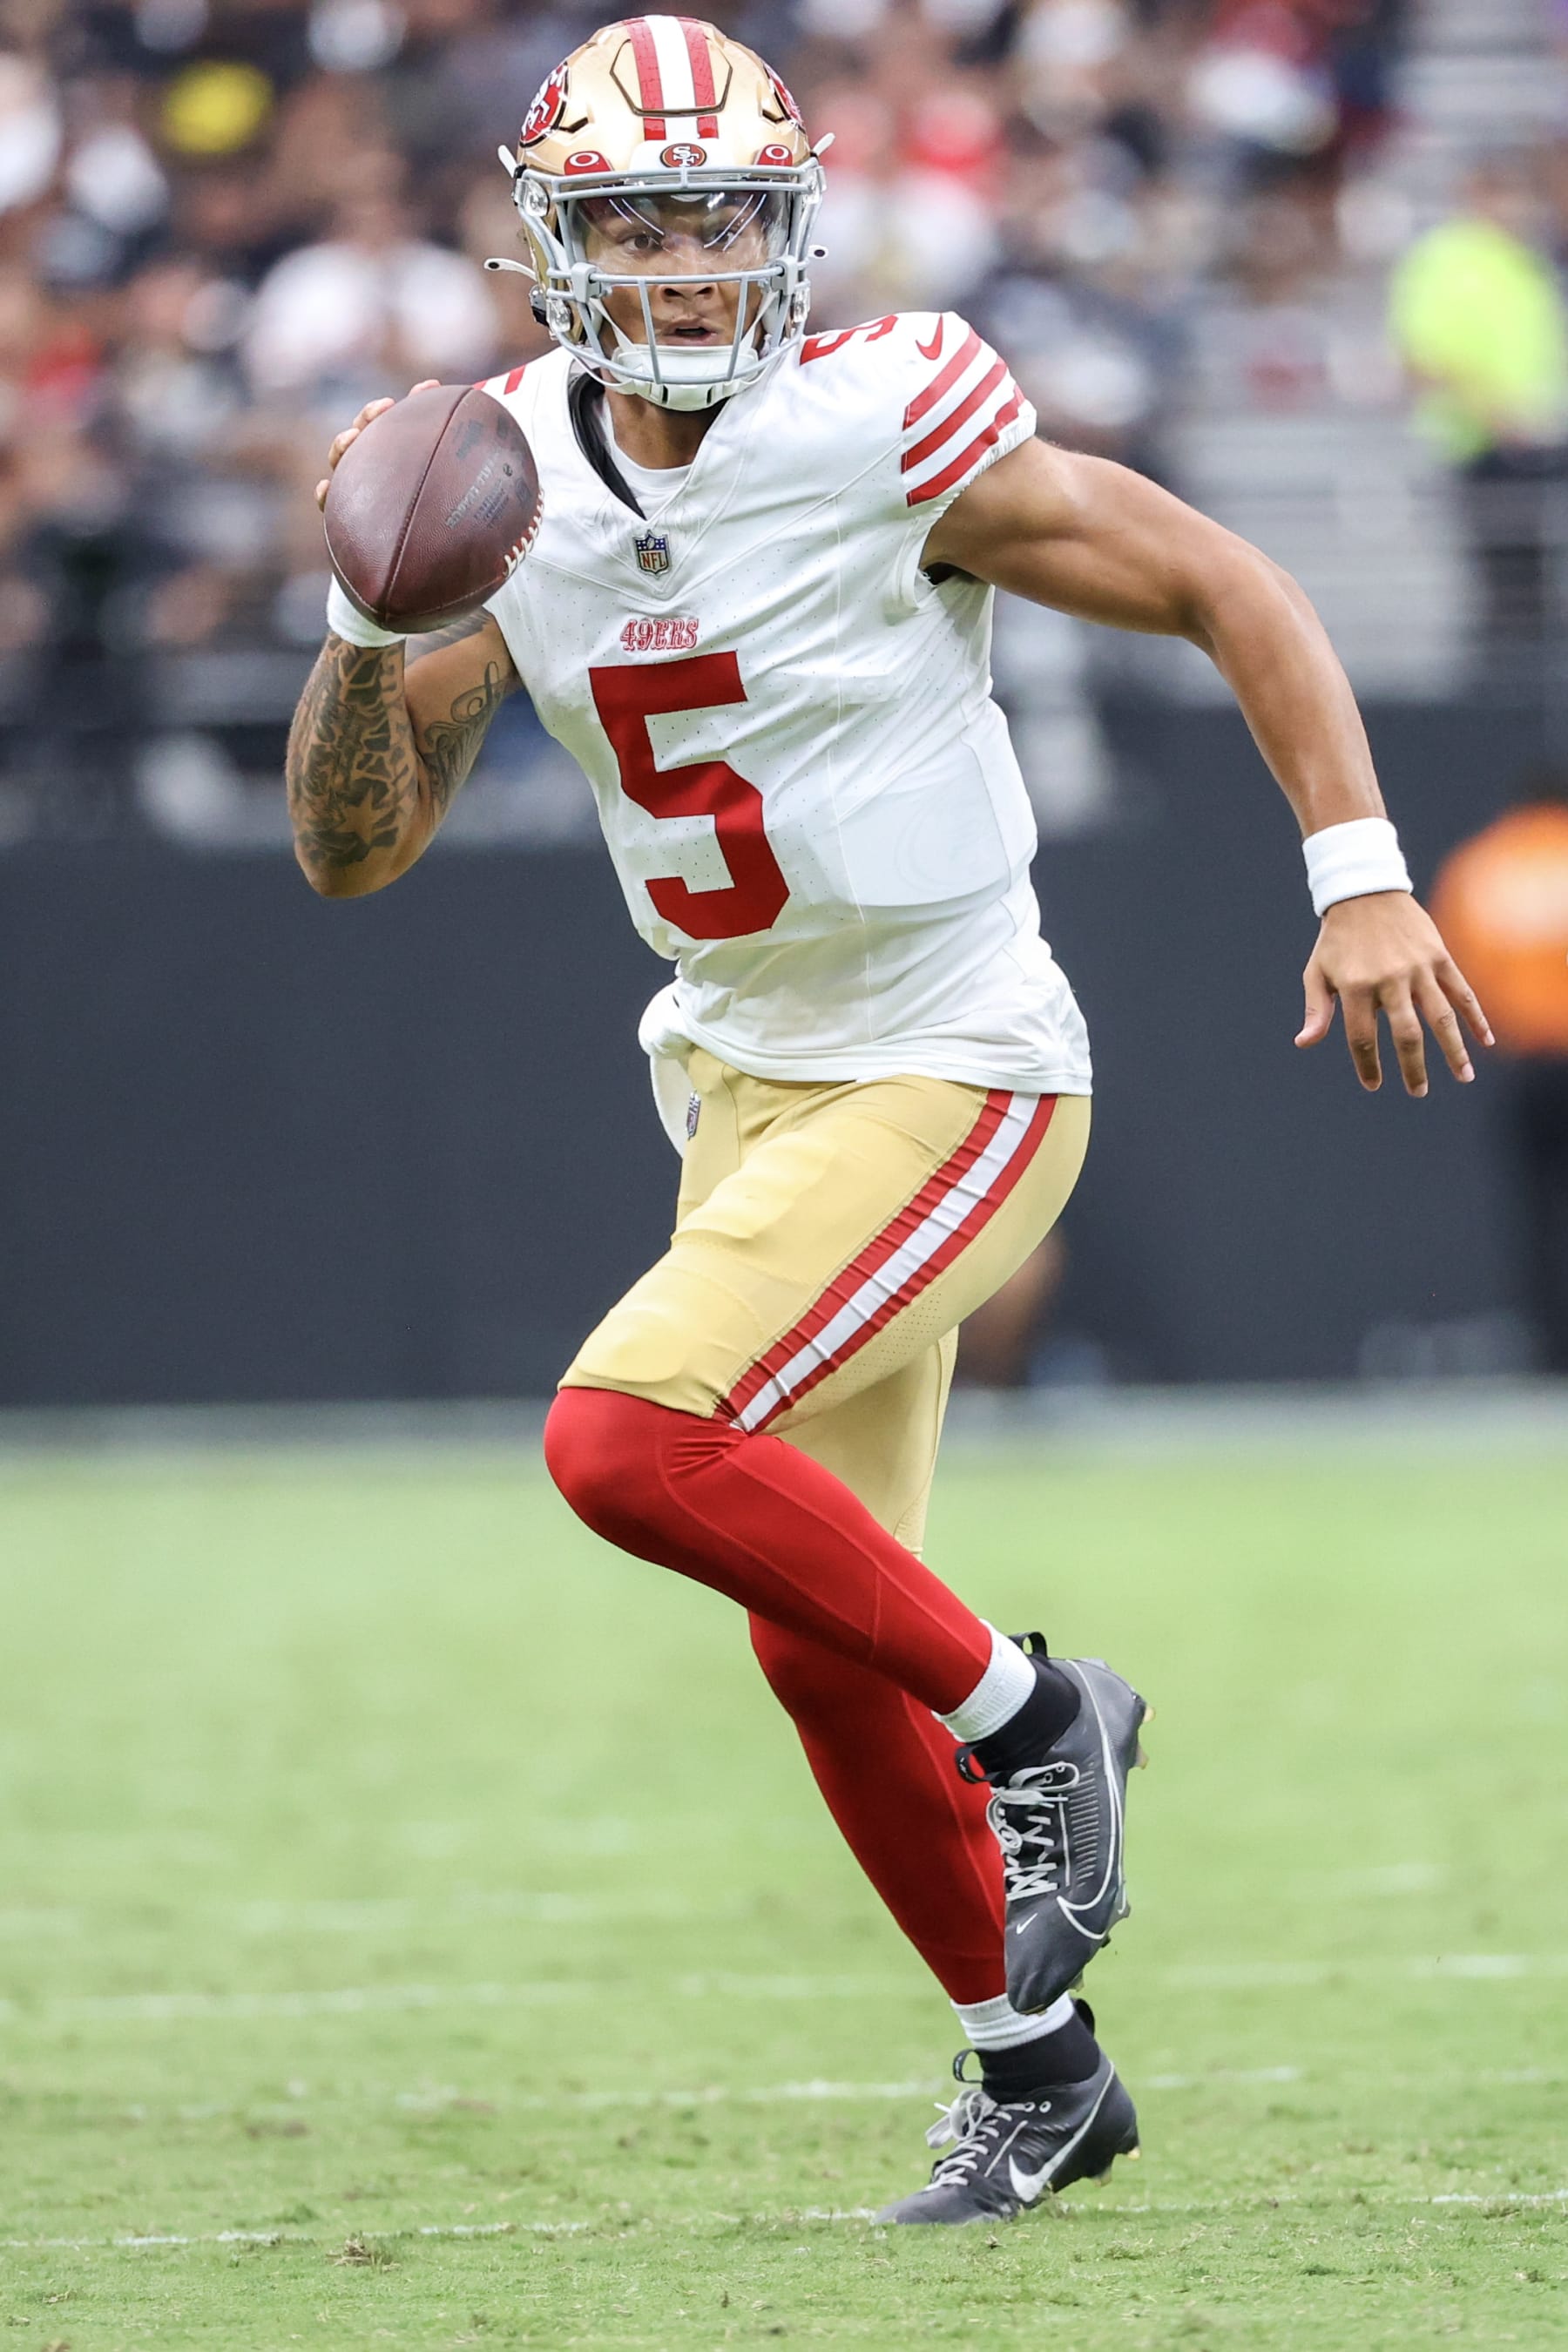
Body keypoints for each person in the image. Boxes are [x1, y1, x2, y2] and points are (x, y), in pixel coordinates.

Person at [284, 17, 1490, 2227]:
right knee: (807, 1626)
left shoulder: (882, 417)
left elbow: (1234, 579)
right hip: (743, 1077)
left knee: (622, 1437)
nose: (681, 269)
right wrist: (367, 623)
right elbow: (351, 850)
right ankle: (1038, 2068)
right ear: (553, 247)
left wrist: (1360, 869)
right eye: (635, 224)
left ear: (792, 226)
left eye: (720, 219)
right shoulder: (502, 479)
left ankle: (1042, 1716)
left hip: (953, 1054)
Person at [1389, 152, 1568, 671]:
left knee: (1535, 580)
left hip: (1536, 440)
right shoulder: (1446, 259)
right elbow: (1422, 357)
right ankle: (1504, 691)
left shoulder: (1522, 260)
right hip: (1482, 445)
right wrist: (1491, 411)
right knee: (1506, 585)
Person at [1431, 778, 1568, 1373]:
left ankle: (1550, 1341)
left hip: (1529, 1064)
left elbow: (1456, 964)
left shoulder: (1485, 863)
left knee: (1537, 1210)